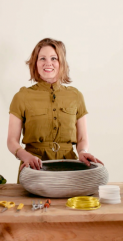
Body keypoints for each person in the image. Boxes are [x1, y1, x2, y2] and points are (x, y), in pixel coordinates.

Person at [7, 38, 103, 182]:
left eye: (54, 58)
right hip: (35, 170)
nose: (48, 63)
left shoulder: (75, 96)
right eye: (42, 58)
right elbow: (11, 141)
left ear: (61, 63)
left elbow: (82, 138)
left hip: (70, 170)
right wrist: (25, 156)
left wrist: (82, 152)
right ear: (35, 63)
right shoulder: (21, 97)